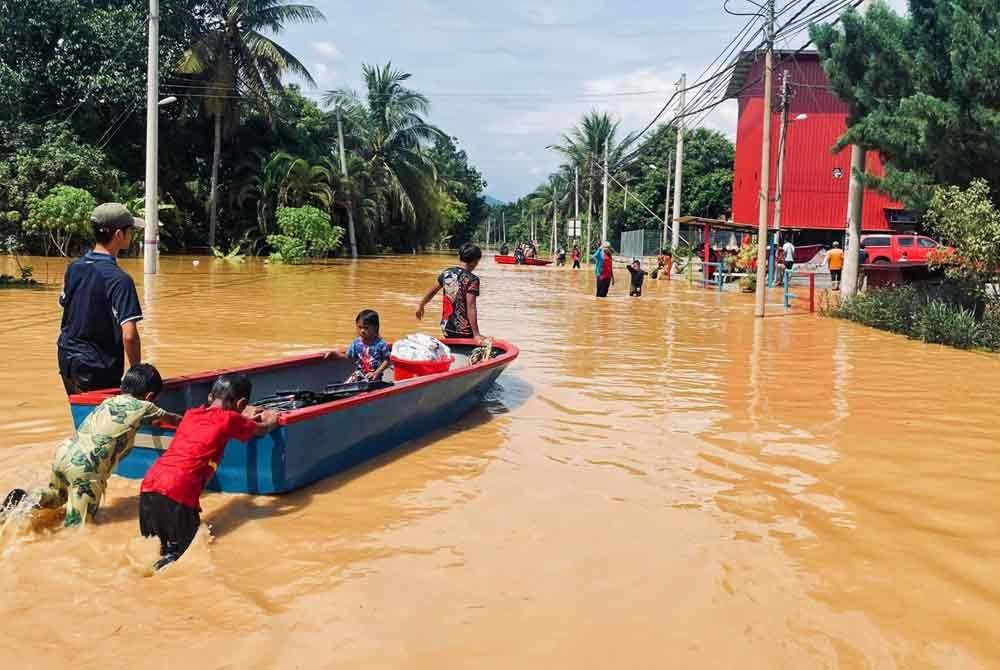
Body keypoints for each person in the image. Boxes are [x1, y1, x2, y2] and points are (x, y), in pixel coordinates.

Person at [1, 364, 181, 526]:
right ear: (149, 396)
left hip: (65, 452)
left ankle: (25, 500)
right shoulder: (146, 407)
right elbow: (174, 420)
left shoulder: (108, 401)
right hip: (87, 467)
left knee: (57, 496)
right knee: (79, 527)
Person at [139, 374, 278, 569]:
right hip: (178, 489)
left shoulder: (190, 415)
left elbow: (214, 423)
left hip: (150, 484)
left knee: (153, 548)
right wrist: (273, 419)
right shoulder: (230, 419)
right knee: (182, 557)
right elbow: (261, 430)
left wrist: (241, 416)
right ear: (242, 403)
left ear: (210, 398)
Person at [57, 203, 146, 395]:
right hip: (97, 367)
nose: (131, 236)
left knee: (85, 421)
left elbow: (69, 311)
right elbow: (129, 336)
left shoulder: (74, 268)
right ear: (119, 235)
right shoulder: (119, 279)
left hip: (67, 359)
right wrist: (138, 373)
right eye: (130, 231)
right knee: (104, 423)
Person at [416, 243, 483, 341]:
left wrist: (420, 305)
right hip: (463, 331)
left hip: (446, 328)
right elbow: (471, 307)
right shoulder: (472, 280)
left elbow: (432, 292)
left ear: (459, 257)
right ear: (475, 261)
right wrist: (476, 335)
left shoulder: (447, 273)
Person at [327, 309, 391, 382]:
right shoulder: (356, 343)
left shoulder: (380, 344)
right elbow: (348, 355)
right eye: (360, 327)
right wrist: (336, 354)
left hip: (374, 377)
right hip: (359, 374)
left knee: (367, 385)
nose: (362, 331)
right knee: (347, 385)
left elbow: (387, 361)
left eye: (366, 328)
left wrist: (376, 373)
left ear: (375, 327)